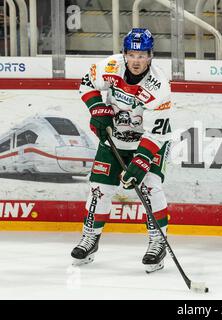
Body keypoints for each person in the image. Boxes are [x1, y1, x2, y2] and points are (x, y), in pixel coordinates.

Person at [71, 28, 173, 274]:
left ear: (151, 56)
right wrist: (97, 108)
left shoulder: (159, 85)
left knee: (150, 188)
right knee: (99, 190)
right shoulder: (111, 66)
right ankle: (90, 238)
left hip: (150, 142)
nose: (136, 60)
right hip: (113, 140)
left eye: (142, 55)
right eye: (132, 54)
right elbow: (86, 84)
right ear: (124, 54)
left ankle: (157, 242)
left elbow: (157, 131)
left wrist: (141, 162)